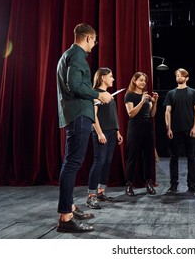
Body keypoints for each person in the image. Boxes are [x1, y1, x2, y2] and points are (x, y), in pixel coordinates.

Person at [56, 23, 112, 233]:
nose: (94, 44)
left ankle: (68, 207)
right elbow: (75, 85)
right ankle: (65, 217)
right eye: (94, 40)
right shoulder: (78, 55)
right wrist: (98, 94)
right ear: (88, 38)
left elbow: (73, 88)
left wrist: (92, 101)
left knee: (70, 163)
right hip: (78, 115)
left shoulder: (67, 55)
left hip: (76, 112)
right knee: (71, 164)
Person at [86, 68, 123, 209]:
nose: (113, 79)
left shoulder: (109, 95)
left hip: (111, 132)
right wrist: (100, 133)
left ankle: (101, 192)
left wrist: (117, 131)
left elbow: (112, 115)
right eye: (111, 76)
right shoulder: (96, 95)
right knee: (99, 162)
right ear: (103, 78)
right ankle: (91, 196)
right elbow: (93, 116)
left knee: (107, 162)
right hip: (101, 132)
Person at [163, 68, 195, 193]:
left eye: (181, 75)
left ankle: (192, 184)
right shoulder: (171, 93)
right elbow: (167, 111)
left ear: (187, 78)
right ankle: (173, 185)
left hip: (189, 130)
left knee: (191, 157)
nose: (179, 77)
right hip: (174, 130)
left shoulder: (193, 92)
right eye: (177, 75)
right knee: (174, 158)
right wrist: (168, 128)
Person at [124, 72, 158, 196]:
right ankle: (129, 185)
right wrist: (142, 100)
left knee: (147, 157)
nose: (143, 83)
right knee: (133, 156)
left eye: (145, 81)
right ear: (135, 81)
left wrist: (155, 102)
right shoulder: (129, 95)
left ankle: (148, 183)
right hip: (135, 128)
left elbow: (152, 114)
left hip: (147, 127)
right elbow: (131, 113)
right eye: (141, 80)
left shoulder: (147, 96)